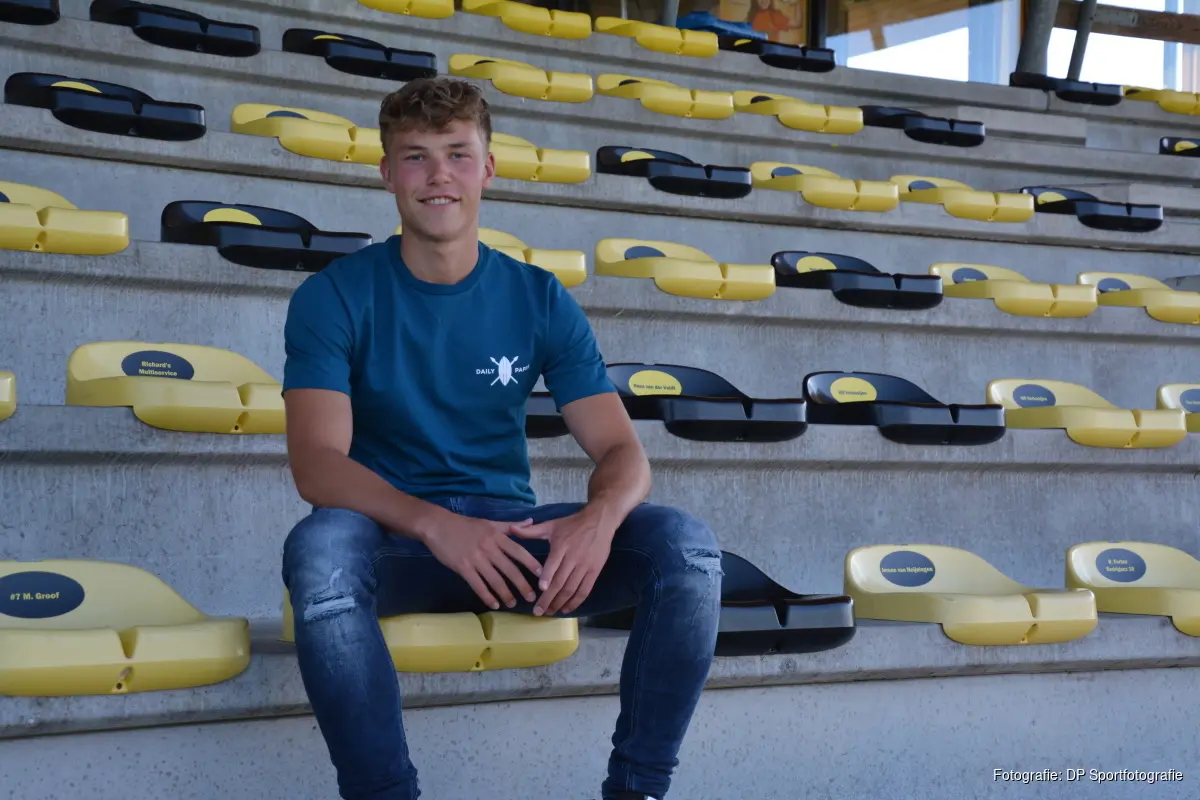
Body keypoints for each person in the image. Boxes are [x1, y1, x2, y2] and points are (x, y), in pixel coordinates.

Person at [278, 76, 724, 800]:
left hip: (513, 546)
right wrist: (436, 524)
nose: (438, 176)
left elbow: (622, 452)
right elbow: (318, 465)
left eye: (457, 154)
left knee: (687, 548)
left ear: (487, 168)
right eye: (416, 157)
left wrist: (599, 518)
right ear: (387, 173)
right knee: (321, 550)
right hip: (396, 541)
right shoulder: (333, 295)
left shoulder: (539, 296)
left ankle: (637, 790)